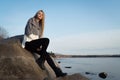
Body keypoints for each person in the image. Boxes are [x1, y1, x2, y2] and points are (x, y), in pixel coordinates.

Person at [22, 10, 67, 77]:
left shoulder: (40, 25)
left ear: (43, 17)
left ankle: (57, 72)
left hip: (34, 44)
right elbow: (28, 33)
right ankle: (41, 60)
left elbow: (40, 37)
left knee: (46, 55)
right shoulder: (31, 20)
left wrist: (39, 45)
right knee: (46, 40)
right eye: (39, 13)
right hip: (28, 43)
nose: (40, 15)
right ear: (36, 14)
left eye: (42, 14)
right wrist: (38, 43)